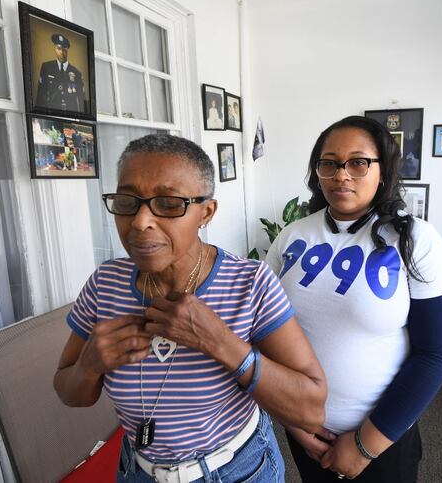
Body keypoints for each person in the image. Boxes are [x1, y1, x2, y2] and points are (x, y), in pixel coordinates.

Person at [54, 134, 327, 482]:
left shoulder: (249, 283)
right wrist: (90, 365)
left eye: (168, 204)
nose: (140, 222)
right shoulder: (104, 285)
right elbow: (69, 391)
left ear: (206, 212)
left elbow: (311, 409)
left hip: (236, 471)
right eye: (127, 201)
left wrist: (221, 343)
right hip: (138, 471)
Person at [265, 116, 442, 482]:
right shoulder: (292, 236)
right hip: (304, 430)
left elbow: (434, 355)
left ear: (383, 171)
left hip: (383, 438)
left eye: (358, 162)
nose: (341, 175)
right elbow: (264, 330)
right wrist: (294, 421)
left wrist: (364, 445)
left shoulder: (417, 240)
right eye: (329, 163)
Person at [35, 34, 86, 112]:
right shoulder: (46, 67)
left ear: (67, 50)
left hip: (71, 116)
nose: (62, 52)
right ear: (55, 49)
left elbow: (82, 101)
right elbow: (40, 96)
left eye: (64, 49)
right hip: (51, 114)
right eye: (59, 48)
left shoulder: (77, 73)